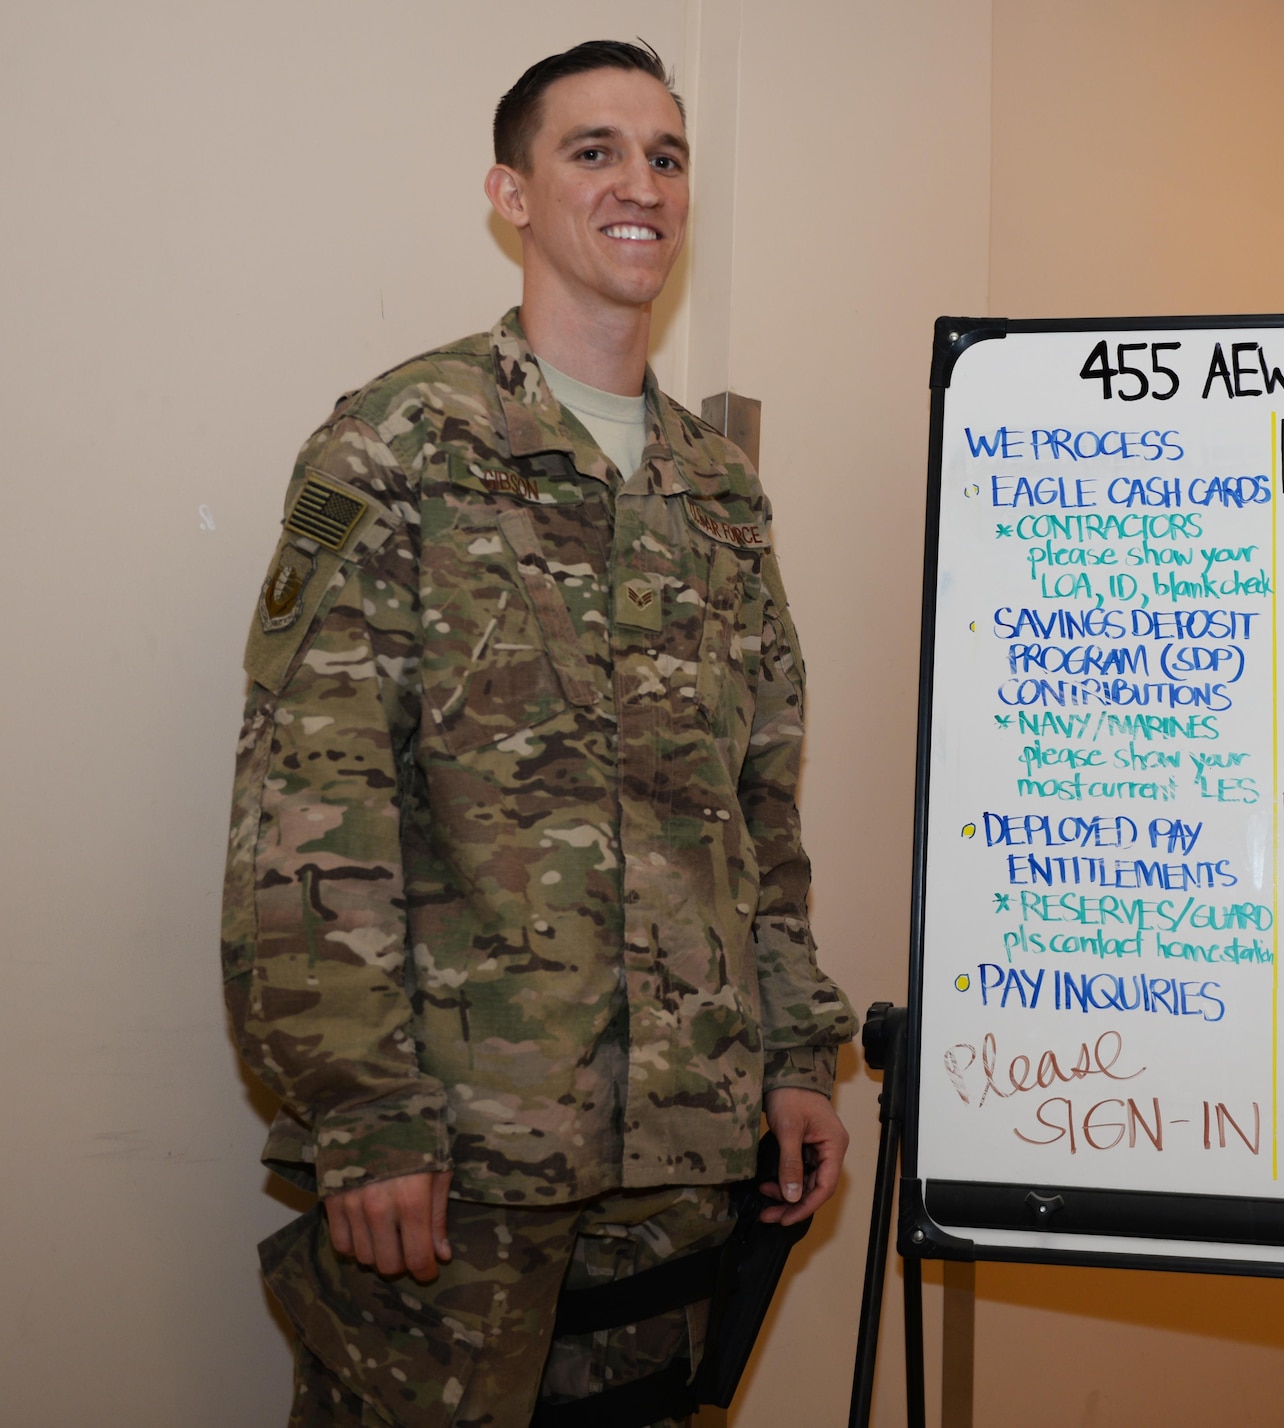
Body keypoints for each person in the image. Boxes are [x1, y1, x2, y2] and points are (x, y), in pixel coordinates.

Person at [219, 39, 857, 1427]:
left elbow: (760, 808)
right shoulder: (399, 445)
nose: (643, 184)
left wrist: (795, 1055)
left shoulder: (716, 495)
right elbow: (310, 806)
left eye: (668, 156)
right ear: (511, 195)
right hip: (458, 1159)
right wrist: (366, 1112)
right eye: (597, 152)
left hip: (680, 1157)